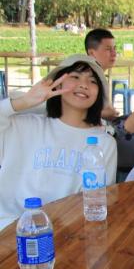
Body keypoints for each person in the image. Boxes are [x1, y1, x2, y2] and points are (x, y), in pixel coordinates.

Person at [0, 54, 117, 231]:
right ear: (58, 84)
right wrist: (24, 101)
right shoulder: (23, 126)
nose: (84, 84)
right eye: (75, 77)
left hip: (68, 233)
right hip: (10, 229)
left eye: (93, 81)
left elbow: (99, 202)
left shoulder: (104, 144)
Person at [84, 28, 119, 119]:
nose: (114, 54)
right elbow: (74, 113)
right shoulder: (85, 78)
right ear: (92, 53)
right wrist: (103, 114)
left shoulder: (99, 75)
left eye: (114, 49)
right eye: (108, 49)